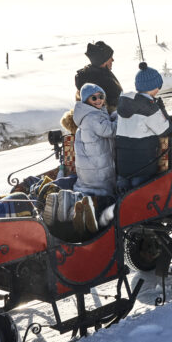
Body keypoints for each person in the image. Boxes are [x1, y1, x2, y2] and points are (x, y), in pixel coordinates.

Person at [115, 62, 172, 193]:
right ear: (155, 86)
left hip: (123, 166)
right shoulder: (149, 107)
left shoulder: (124, 101)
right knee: (141, 200)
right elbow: (165, 130)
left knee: (123, 199)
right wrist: (162, 109)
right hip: (143, 166)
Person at [68, 83, 117, 235]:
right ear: (85, 100)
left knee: (93, 189)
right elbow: (110, 130)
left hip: (90, 165)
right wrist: (120, 117)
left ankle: (79, 212)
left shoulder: (88, 115)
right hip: (97, 166)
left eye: (101, 97)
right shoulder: (92, 116)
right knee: (102, 190)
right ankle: (96, 219)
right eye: (93, 98)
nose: (98, 100)